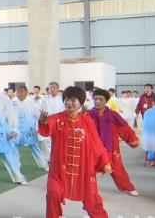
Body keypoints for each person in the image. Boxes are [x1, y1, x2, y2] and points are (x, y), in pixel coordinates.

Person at [39, 86, 111, 218]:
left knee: (92, 199)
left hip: (83, 169)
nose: (69, 103)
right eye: (66, 99)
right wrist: (42, 121)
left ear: (81, 102)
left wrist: (105, 161)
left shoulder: (87, 121)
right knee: (53, 193)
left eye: (73, 100)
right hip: (59, 169)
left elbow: (97, 144)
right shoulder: (57, 118)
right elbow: (45, 128)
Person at [88, 88, 140, 196]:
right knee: (88, 170)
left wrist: (132, 140)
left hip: (111, 148)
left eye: (100, 99)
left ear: (106, 101)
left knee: (118, 169)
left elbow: (124, 128)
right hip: (93, 149)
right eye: (95, 99)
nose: (97, 101)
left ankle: (128, 187)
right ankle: (88, 190)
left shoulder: (113, 115)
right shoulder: (88, 115)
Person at [13, 85, 48, 170]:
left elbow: (38, 116)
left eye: (21, 92)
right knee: (14, 148)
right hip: (17, 130)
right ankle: (16, 166)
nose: (19, 94)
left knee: (35, 147)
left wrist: (42, 119)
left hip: (29, 129)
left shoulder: (32, 102)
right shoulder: (13, 102)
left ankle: (44, 165)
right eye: (18, 92)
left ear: (26, 92)